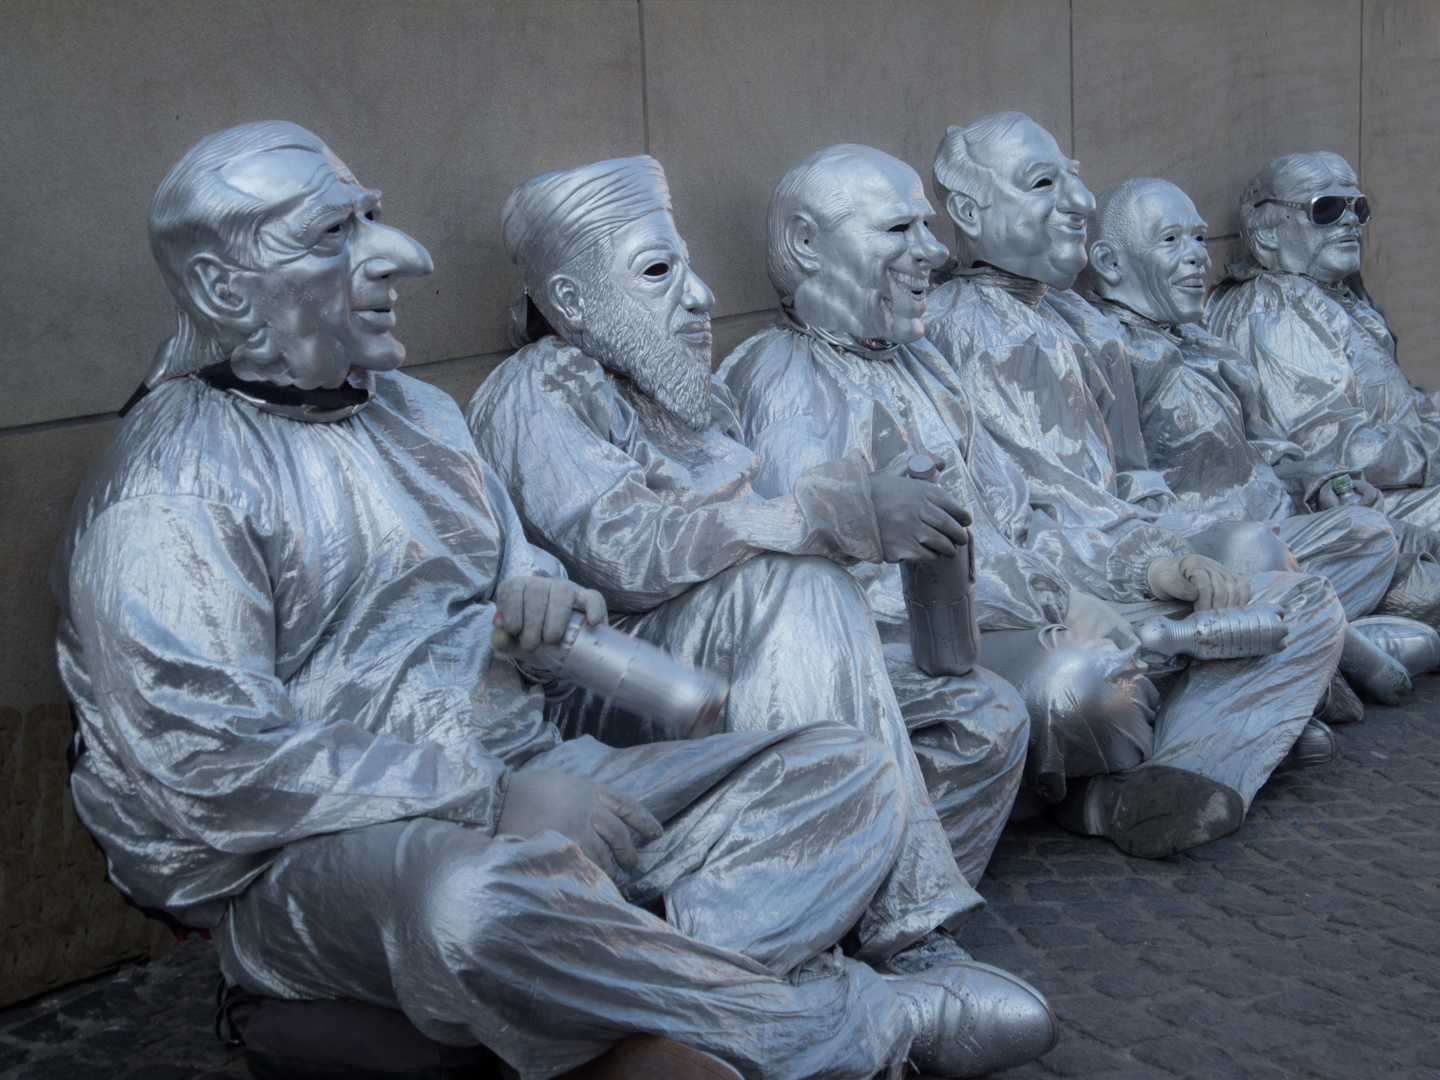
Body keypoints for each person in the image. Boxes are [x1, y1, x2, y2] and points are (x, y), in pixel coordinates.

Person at [53, 122, 1055, 1080]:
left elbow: (529, 573)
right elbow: (211, 769)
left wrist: (543, 600)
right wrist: (490, 801)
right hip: (334, 852)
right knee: (469, 908)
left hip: (551, 771)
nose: (399, 255)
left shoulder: (421, 412)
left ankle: (605, 987)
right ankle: (840, 1022)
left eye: (370, 215)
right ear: (226, 287)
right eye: (332, 233)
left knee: (851, 772)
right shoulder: (166, 487)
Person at [465, 154, 1030, 916]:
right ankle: (906, 919)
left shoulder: (693, 399)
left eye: (689, 267)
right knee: (800, 584)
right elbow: (626, 551)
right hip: (629, 682)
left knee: (986, 716)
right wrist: (826, 514)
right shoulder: (539, 387)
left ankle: (807, 906)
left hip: (755, 657)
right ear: (572, 299)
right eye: (658, 272)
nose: (702, 298)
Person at [923, 113, 1349, 857]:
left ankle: (1182, 768)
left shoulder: (1083, 321)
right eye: (1044, 182)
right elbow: (1001, 527)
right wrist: (1148, 567)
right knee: (1076, 687)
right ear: (966, 212)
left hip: (1129, 555)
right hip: (1050, 590)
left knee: (1286, 579)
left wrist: (1175, 550)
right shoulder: (946, 334)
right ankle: (1235, 716)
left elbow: (1130, 481)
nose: (1082, 200)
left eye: (1074, 174)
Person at [718, 143, 1162, 847]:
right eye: (899, 230)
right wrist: (1041, 602)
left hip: (997, 611)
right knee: (1077, 684)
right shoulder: (776, 378)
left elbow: (1007, 507)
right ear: (808, 244)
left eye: (927, 227)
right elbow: (839, 582)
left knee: (1135, 636)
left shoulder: (923, 362)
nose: (932, 252)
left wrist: (1085, 578)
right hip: (895, 652)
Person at [1083, 177, 1440, 641]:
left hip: (1289, 534)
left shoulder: (1204, 344)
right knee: (1379, 554)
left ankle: (1304, 639)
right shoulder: (1110, 351)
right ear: (1110, 263)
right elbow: (1120, 491)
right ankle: (1307, 642)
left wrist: (1322, 484)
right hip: (1212, 554)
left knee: (1382, 545)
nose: (1198, 255)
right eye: (1171, 240)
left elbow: (1272, 450)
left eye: (1198, 236)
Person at [1206, 153, 1440, 620]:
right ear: (1269, 230)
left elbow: (1398, 410)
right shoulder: (1274, 306)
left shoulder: (1331, 296)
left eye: (1360, 208)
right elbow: (1333, 448)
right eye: (1326, 208)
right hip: (1355, 506)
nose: (1351, 221)